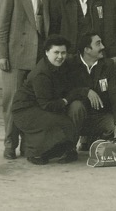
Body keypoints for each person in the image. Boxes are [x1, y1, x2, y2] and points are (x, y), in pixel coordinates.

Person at [0, 0, 53, 160]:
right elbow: (1, 26)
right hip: (16, 57)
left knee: (35, 102)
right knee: (12, 102)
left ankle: (29, 144)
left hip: (39, 58)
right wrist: (1, 55)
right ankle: (10, 143)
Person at [12, 35, 84, 165]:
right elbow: (47, 105)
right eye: (56, 52)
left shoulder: (61, 65)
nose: (60, 56)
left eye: (63, 53)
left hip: (40, 106)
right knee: (63, 123)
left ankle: (64, 150)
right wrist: (67, 100)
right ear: (46, 52)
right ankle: (34, 151)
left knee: (62, 121)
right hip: (25, 110)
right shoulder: (41, 73)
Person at [66, 32, 116, 149]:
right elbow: (66, 90)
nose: (103, 47)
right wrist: (86, 91)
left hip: (100, 116)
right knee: (76, 106)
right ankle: (69, 148)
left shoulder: (109, 65)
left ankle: (93, 140)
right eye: (98, 44)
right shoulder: (71, 64)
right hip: (78, 116)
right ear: (87, 49)